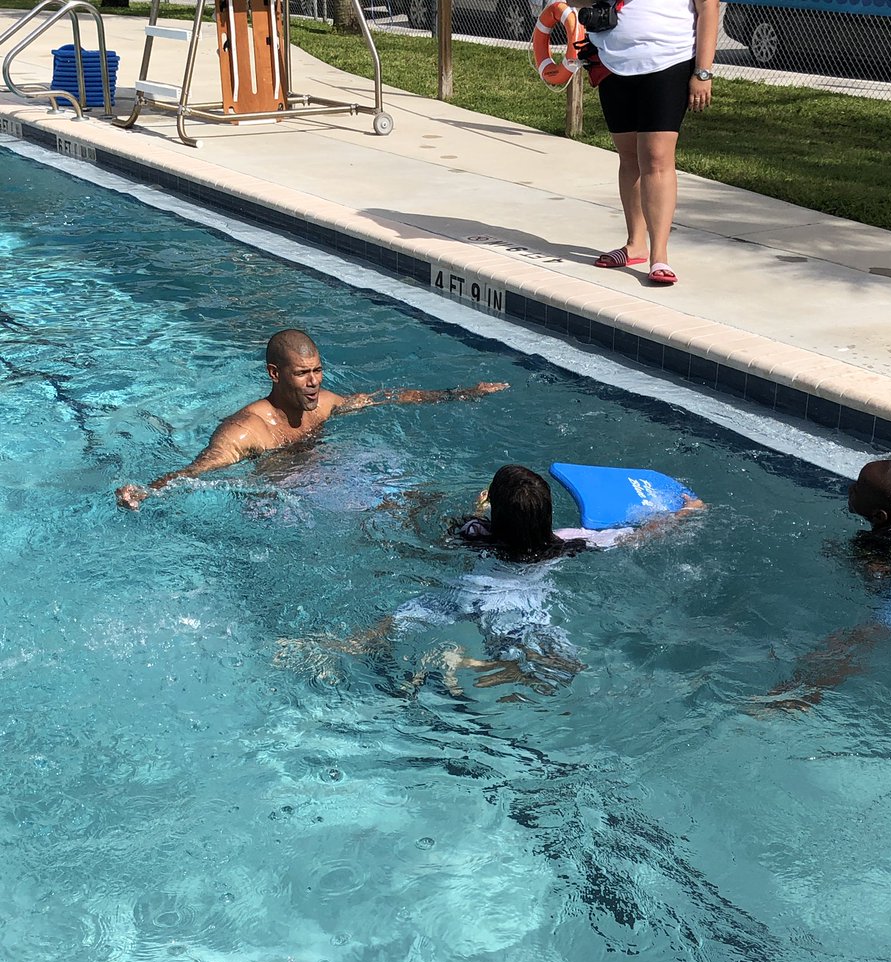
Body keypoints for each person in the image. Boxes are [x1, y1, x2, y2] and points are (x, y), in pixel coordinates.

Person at [279, 465, 704, 695]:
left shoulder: (476, 533)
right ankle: (484, 665)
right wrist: (685, 512)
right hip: (515, 609)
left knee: (390, 623)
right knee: (564, 669)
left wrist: (480, 507)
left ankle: (335, 648)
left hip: (462, 596)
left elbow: (466, 527)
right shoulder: (565, 542)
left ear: (495, 513)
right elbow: (637, 535)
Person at [115, 329, 507, 510]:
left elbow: (386, 398)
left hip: (322, 475)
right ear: (275, 374)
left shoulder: (323, 404)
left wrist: (458, 394)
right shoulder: (246, 430)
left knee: (413, 494)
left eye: (317, 370)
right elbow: (196, 472)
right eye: (303, 373)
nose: (314, 381)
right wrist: (147, 491)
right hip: (277, 499)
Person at [584, 0, 719, 286]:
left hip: (669, 60)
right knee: (628, 156)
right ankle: (635, 245)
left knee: (656, 158)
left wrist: (703, 71)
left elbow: (708, 8)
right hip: (612, 61)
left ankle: (659, 256)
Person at [763, 459, 891, 712]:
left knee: (853, 643)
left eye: (858, 488)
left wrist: (843, 557)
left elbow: (877, 574)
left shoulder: (875, 543)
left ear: (879, 516)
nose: (850, 488)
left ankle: (801, 694)